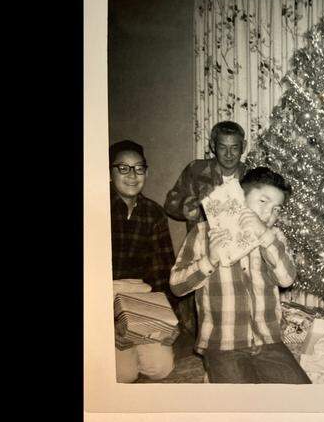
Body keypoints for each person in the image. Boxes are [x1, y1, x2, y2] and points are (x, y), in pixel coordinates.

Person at [169, 167, 311, 384]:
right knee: (243, 405)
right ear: (239, 197)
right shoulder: (202, 234)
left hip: (268, 340)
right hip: (224, 343)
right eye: (262, 202)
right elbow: (177, 285)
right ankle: (215, 373)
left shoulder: (274, 237)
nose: (268, 214)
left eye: (276, 209)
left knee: (302, 396)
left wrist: (266, 237)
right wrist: (210, 259)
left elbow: (286, 279)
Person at [163, 120, 249, 336]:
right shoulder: (196, 169)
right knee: (205, 307)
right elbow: (170, 203)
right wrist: (187, 208)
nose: (229, 154)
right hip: (203, 247)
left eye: (234, 147)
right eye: (222, 147)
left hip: (239, 250)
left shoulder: (251, 176)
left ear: (243, 147)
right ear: (213, 145)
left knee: (235, 305)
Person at [109, 140, 175, 382]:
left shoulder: (154, 213)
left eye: (138, 168)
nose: (132, 175)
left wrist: (165, 320)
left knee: (160, 369)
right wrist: (105, 324)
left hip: (139, 300)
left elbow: (163, 272)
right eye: (123, 168)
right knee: (123, 375)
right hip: (101, 297)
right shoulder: (94, 207)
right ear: (110, 171)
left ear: (146, 172)